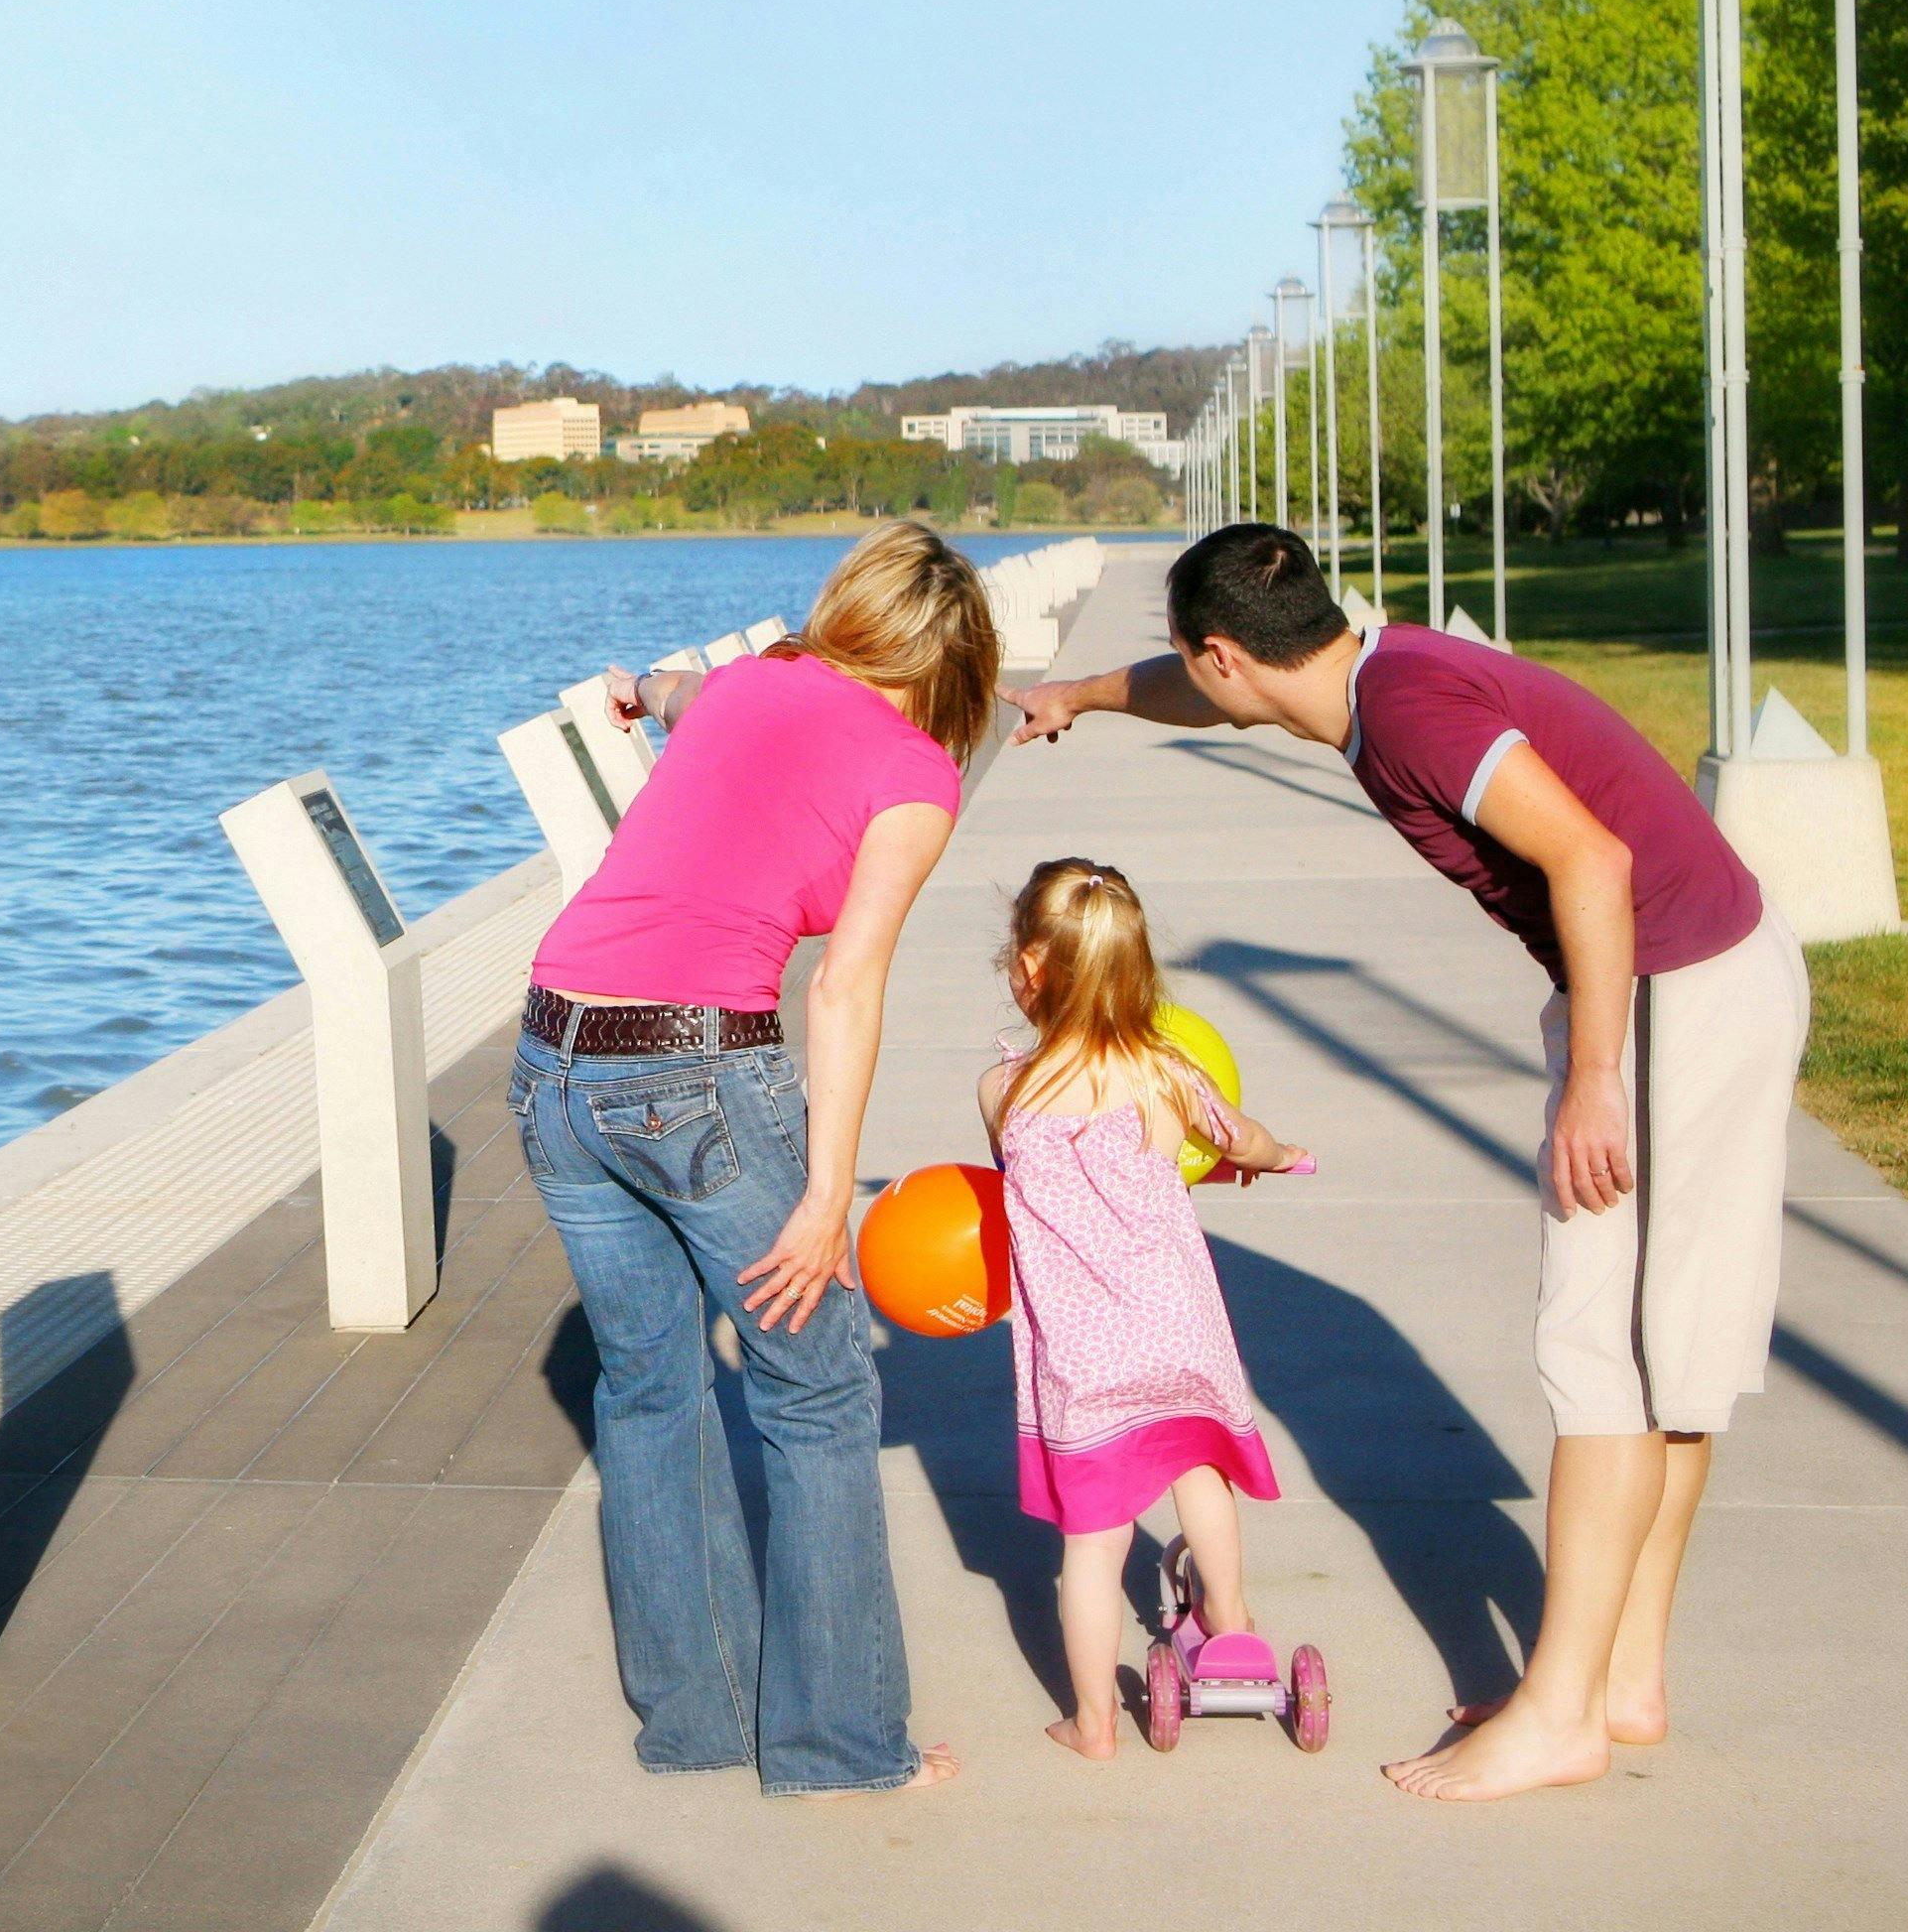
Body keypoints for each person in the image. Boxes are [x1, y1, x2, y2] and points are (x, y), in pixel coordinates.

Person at [1011, 523, 1808, 1802]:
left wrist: (1595, 1073)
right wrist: (1084, 697)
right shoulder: (1364, 672)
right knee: (1672, 1350)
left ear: (1226, 651)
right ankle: (1622, 1679)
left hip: (1668, 997)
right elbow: (1202, 700)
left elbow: (1591, 859)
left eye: (1184, 663)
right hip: (1707, 976)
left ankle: (1560, 1716)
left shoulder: (1413, 708)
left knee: (1602, 1350)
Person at [511, 519, 999, 1796]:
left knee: (647, 1387)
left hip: (551, 1058)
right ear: (958, 665)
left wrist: (635, 686)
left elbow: (671, 690)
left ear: (849, 608)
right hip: (695, 1073)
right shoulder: (915, 776)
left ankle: (699, 1718)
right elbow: (844, 985)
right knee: (817, 1391)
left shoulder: (748, 683)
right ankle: (840, 1743)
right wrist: (831, 1193)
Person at [978, 857, 1305, 1759]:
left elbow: (1027, 1186)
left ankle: (1092, 1725)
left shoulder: (1003, 1093)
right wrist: (1276, 1157)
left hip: (1084, 1356)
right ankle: (1230, 1623)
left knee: (1094, 1544)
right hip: (1178, 1333)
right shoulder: (1166, 1073)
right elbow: (1239, 1139)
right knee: (1199, 1468)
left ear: (1029, 968)